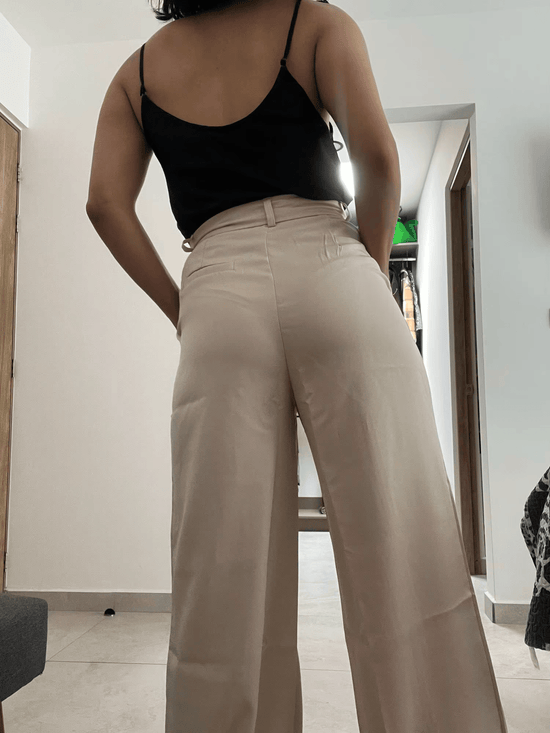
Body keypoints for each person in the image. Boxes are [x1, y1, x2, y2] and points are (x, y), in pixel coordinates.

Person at [85, 0, 509, 731]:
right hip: (332, 265)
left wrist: (182, 308)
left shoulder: (137, 76)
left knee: (222, 570)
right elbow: (378, 160)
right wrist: (367, 271)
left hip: (216, 287)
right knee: (402, 541)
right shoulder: (313, 22)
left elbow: (103, 204)